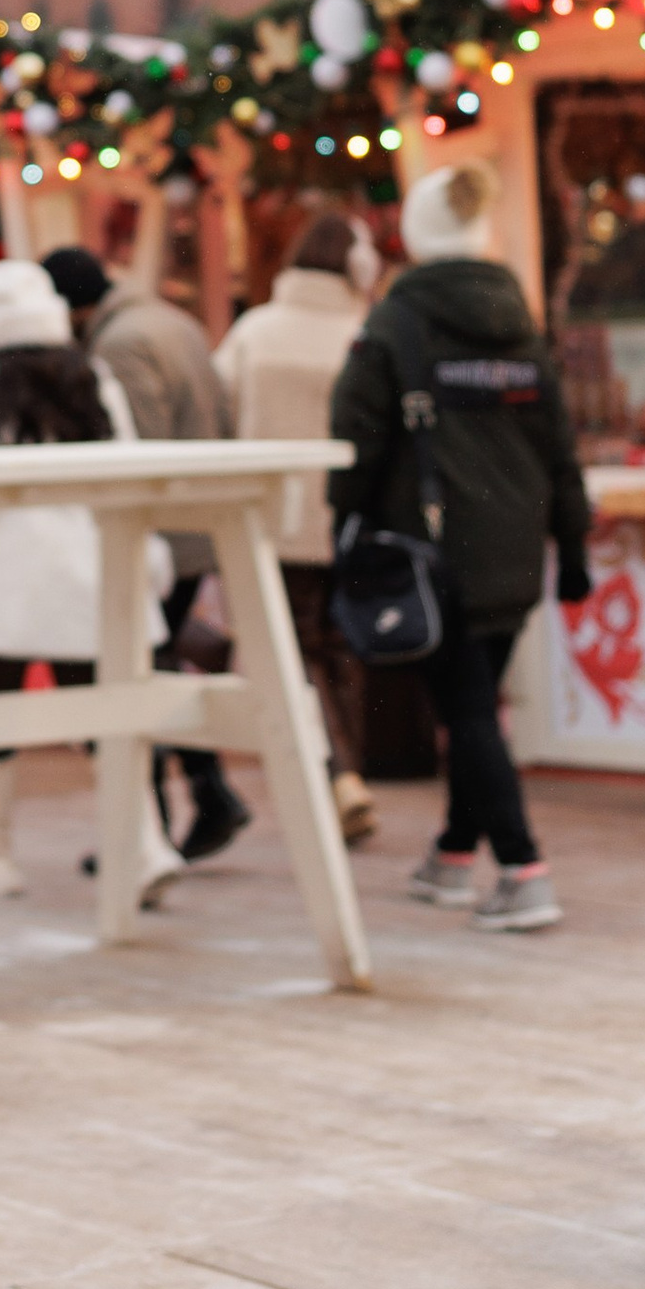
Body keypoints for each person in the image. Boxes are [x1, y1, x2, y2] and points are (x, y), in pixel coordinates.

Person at [331, 156, 591, 930]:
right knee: (474, 706)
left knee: (468, 711)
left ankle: (523, 868)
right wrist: (570, 545)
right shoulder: (520, 322)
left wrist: (345, 525)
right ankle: (451, 855)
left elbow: (356, 441)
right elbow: (559, 444)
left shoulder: (394, 323)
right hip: (516, 550)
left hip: (432, 552)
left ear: (412, 236)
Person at [0, 260, 181, 903]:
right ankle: (142, 845)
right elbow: (123, 475)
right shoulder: (94, 377)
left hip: (3, 579)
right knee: (101, 715)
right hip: (87, 569)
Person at [61, 238, 254, 862]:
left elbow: (137, 448)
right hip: (198, 526)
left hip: (161, 535)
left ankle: (152, 830)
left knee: (137, 670)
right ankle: (201, 796)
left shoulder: (120, 344)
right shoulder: (173, 321)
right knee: (157, 662)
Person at [213, 211, 380, 845]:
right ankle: (346, 774)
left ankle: (332, 775)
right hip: (348, 516)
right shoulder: (364, 333)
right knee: (338, 647)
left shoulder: (255, 331)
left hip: (273, 521)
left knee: (293, 649)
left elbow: (218, 404)